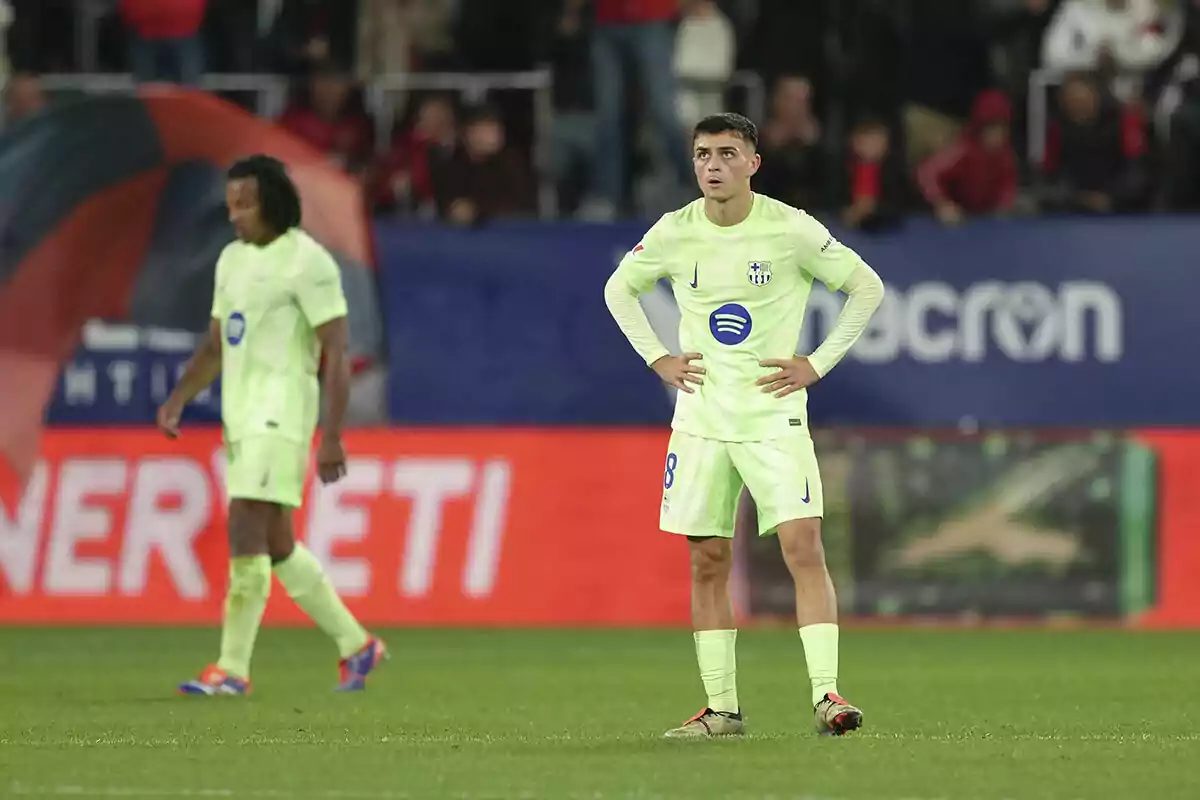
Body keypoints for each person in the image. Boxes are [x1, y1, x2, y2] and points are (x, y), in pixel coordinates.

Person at [603, 113, 885, 738]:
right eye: (703, 154)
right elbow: (618, 290)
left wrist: (815, 364)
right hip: (701, 420)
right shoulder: (675, 231)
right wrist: (659, 359)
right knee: (707, 560)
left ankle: (827, 697)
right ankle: (722, 710)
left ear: (753, 163)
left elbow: (866, 288)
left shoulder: (790, 229)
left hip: (772, 415)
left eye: (728, 153)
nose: (713, 165)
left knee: (802, 546)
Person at [157, 154, 387, 696]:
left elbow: (336, 349)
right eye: (231, 204)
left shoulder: (309, 262)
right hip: (242, 418)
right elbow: (217, 344)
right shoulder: (231, 261)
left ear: (274, 203)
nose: (235, 214)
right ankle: (357, 645)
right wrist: (178, 399)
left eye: (247, 204)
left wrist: (332, 434)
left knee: (244, 526)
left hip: (281, 414)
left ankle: (232, 669)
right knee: (278, 543)